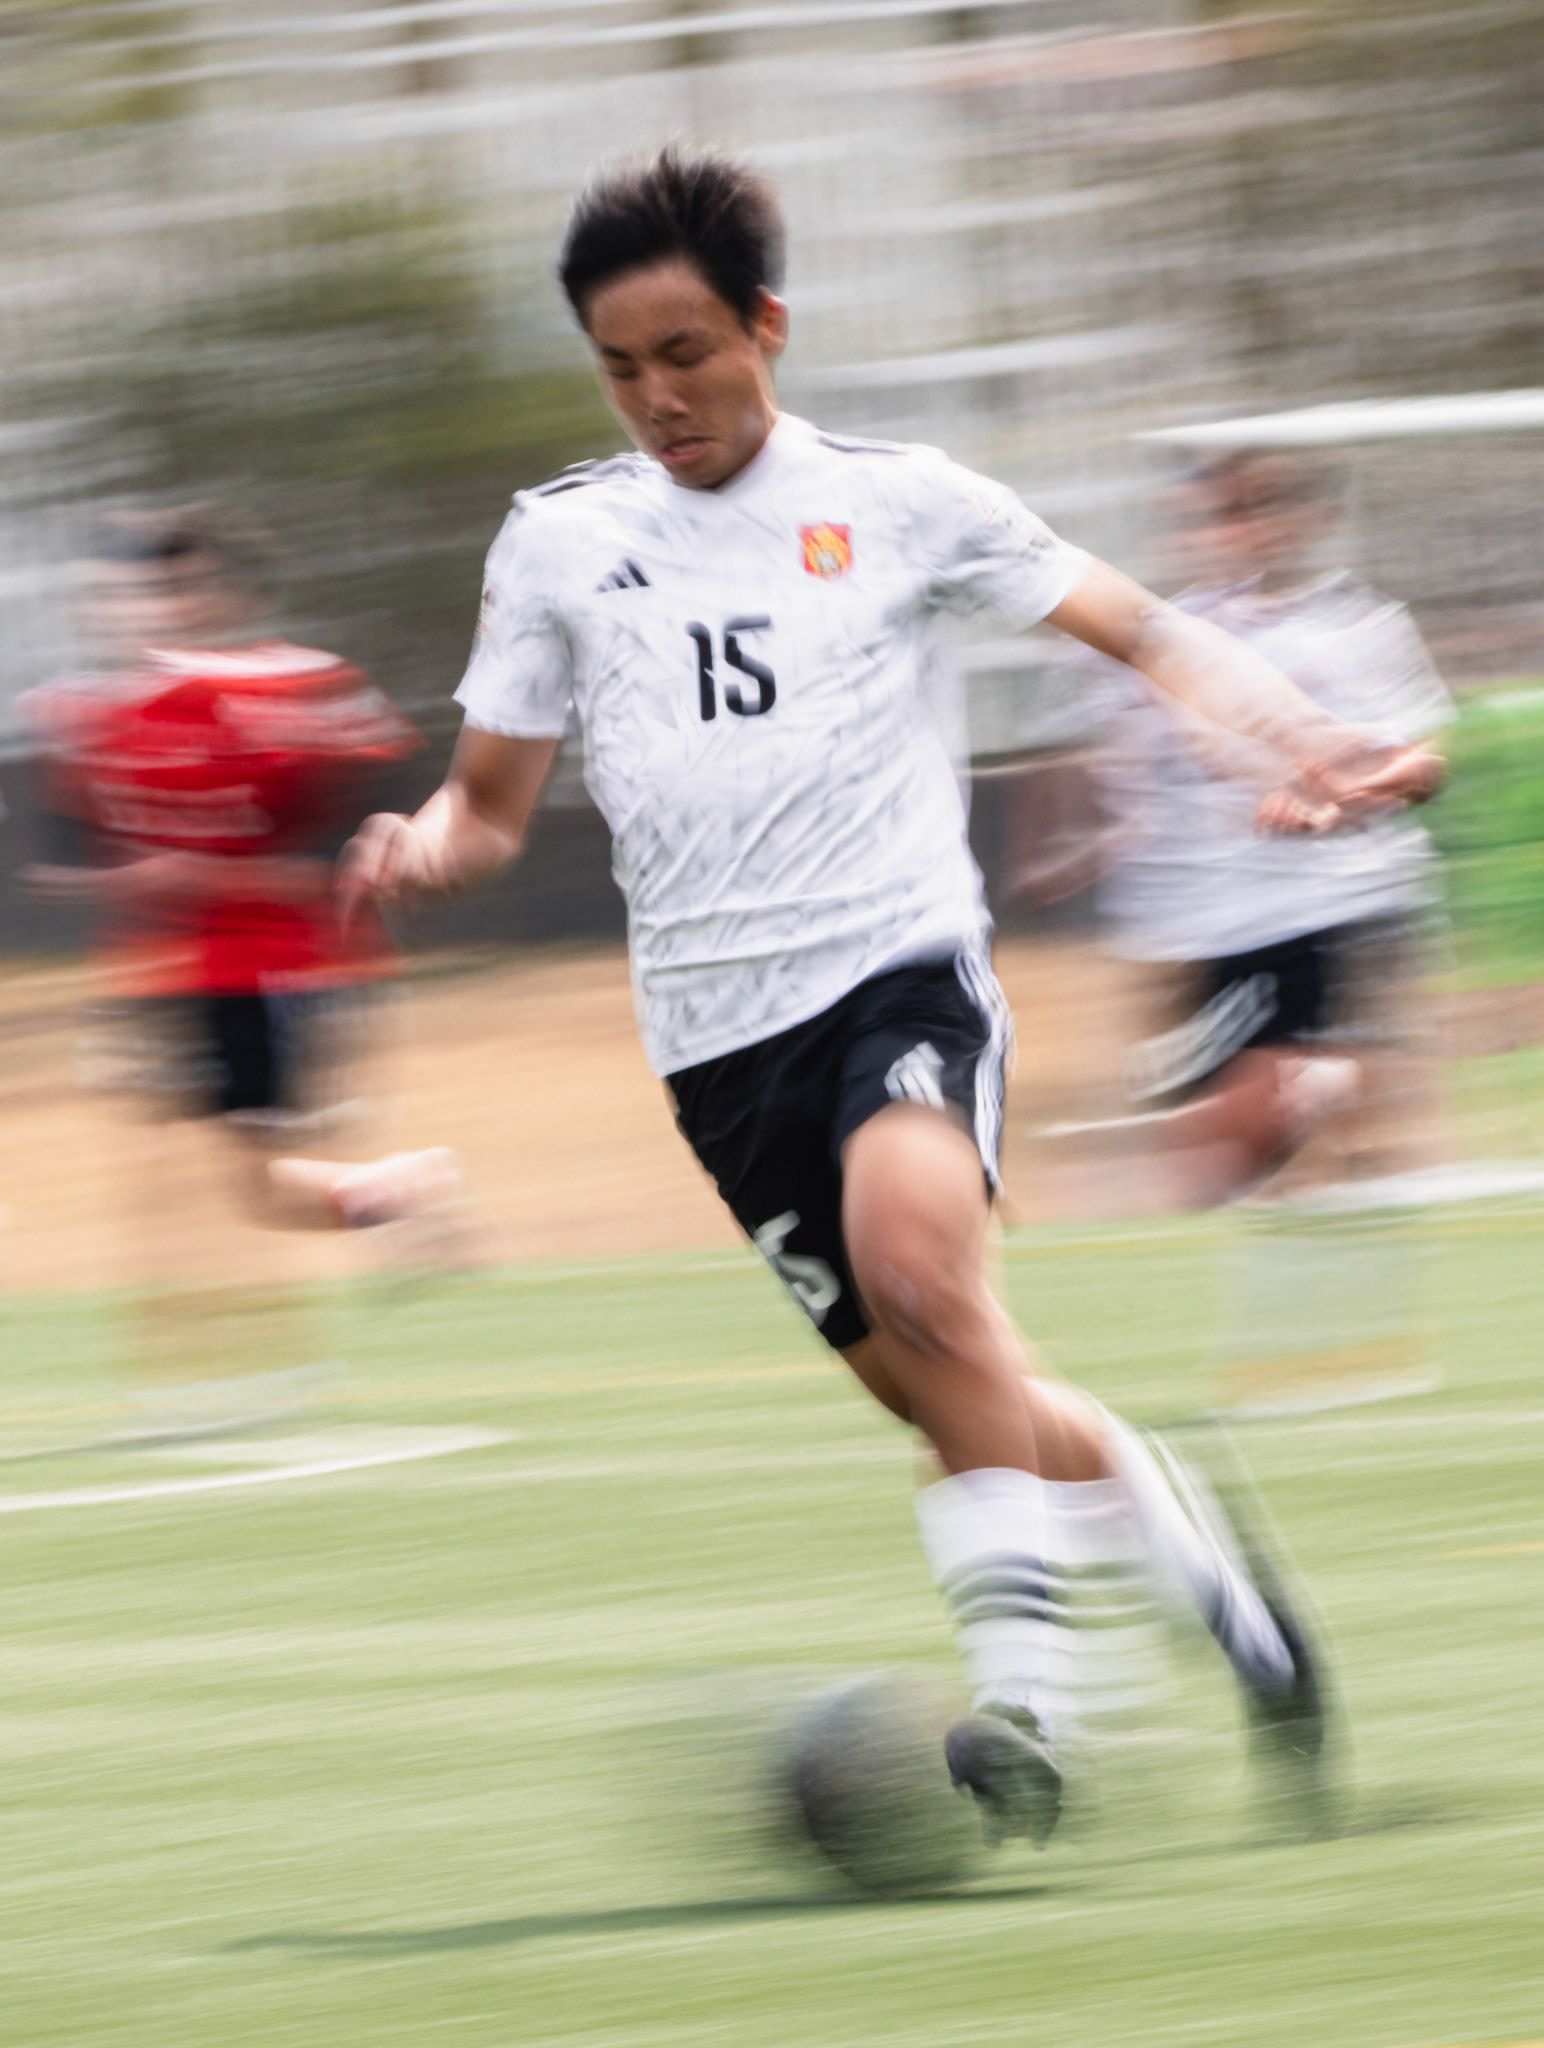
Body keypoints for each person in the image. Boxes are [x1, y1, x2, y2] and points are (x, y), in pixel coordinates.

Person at [342, 147, 1440, 1845]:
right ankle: (1218, 1583)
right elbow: (486, 811)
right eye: (620, 369)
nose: (657, 399)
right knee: (944, 1377)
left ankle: (1027, 1716)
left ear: (765, 326)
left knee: (928, 1278)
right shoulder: (558, 543)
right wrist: (422, 846)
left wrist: (1310, 743)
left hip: (895, 970)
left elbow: (1146, 632)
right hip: (715, 1048)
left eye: (686, 354)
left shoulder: (903, 500)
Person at [20, 508, 461, 1421]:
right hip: (163, 976)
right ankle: (197, 1365)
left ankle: (326, 1269)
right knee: (172, 1175)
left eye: (179, 583)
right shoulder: (97, 712)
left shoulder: (307, 691)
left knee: (247, 1176)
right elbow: (58, 862)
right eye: (146, 586)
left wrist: (218, 877)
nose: (159, 602)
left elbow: (374, 836)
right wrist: (132, 881)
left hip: (274, 970)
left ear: (229, 591)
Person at [1011, 452, 1451, 1211]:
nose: (1229, 534)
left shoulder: (1354, 628)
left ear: (1304, 521)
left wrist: (1336, 804)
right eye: (1208, 518)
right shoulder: (1152, 638)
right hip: (1192, 929)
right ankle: (1322, 1092)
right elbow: (1092, 759)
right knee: (1215, 1162)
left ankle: (1334, 1100)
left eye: (1251, 512)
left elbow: (1421, 765)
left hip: (1333, 909)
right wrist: (1081, 843)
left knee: (1315, 1139)